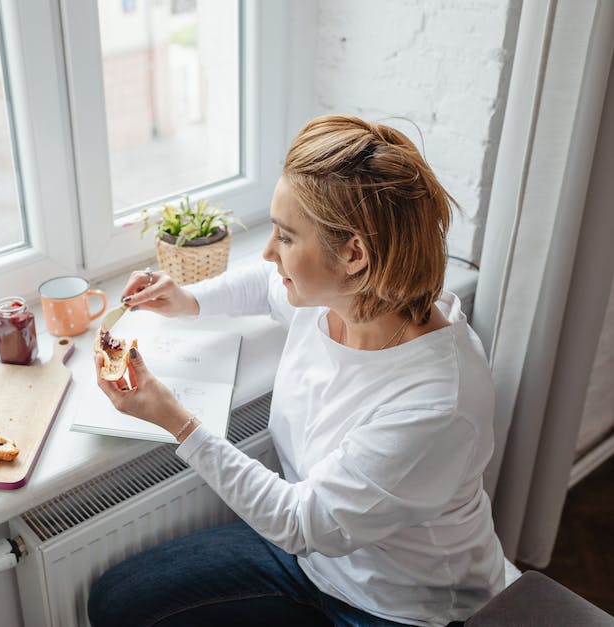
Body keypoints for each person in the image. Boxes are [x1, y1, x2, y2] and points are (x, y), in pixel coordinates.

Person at [87, 115, 505, 627]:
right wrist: (186, 299)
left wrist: (176, 419)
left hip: (395, 605)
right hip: (313, 561)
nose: (268, 252)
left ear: (354, 253)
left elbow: (298, 521)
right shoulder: (340, 298)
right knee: (116, 601)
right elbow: (264, 283)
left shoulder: (436, 402)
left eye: (285, 237)